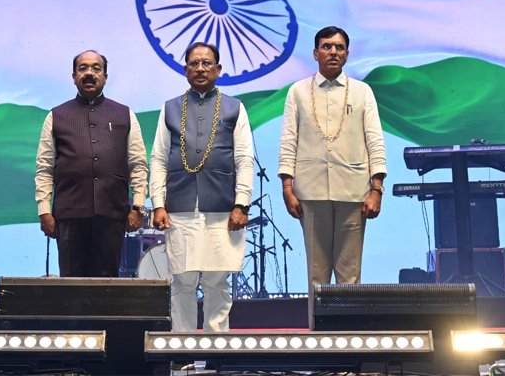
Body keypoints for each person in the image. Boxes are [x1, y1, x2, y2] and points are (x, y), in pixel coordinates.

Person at [278, 26, 387, 326]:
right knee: (317, 274)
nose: (333, 52)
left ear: (347, 54)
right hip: (310, 192)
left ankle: (349, 337)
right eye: (326, 46)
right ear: (315, 53)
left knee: (349, 274)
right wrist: (287, 185)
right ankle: (320, 337)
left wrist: (376, 188)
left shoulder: (362, 91)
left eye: (339, 47)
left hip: (354, 192)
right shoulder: (298, 91)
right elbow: (288, 140)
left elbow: (375, 140)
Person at [150, 42, 254, 332]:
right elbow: (158, 158)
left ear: (218, 69)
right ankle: (182, 348)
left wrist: (241, 204)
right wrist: (158, 204)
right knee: (182, 281)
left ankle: (216, 347)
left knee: (217, 282)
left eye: (206, 63)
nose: (200, 68)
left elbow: (244, 159)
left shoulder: (235, 108)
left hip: (222, 207)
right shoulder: (170, 108)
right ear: (185, 70)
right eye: (194, 63)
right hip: (180, 207)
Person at [35, 50, 148, 277]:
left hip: (112, 214)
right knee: (71, 285)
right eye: (83, 68)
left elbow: (138, 164)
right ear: (74, 76)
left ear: (105, 76)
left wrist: (138, 207)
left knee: (106, 287)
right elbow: (45, 168)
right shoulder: (56, 116)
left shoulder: (125, 114)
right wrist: (44, 211)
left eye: (96, 68)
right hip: (69, 216)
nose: (89, 73)